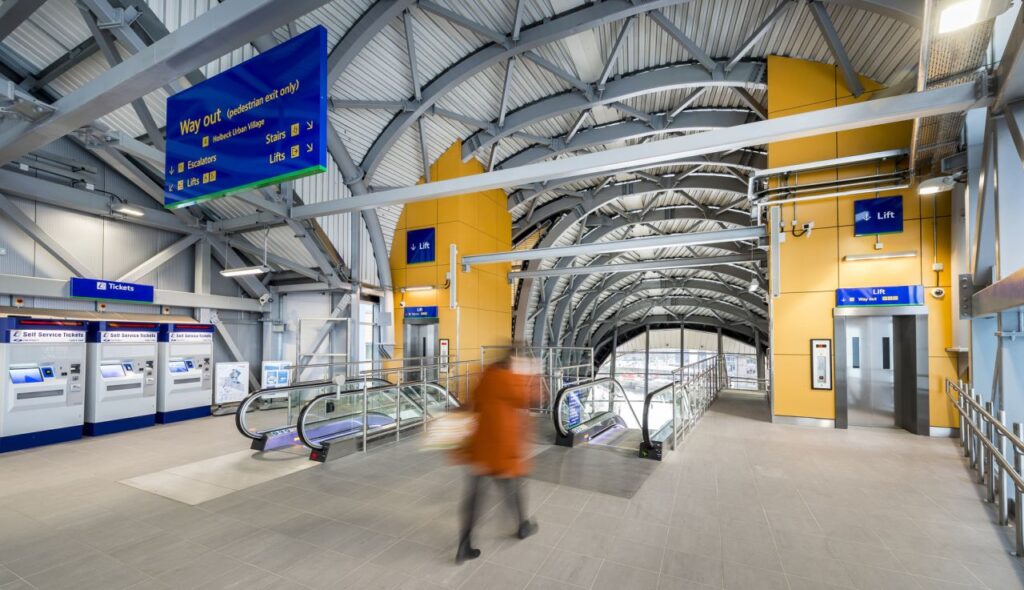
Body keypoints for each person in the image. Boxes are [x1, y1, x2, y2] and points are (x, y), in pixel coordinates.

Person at [452, 354, 540, 564]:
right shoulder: (514, 381)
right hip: (503, 451)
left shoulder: (485, 377)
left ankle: (464, 544)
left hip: (481, 448)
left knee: (474, 497)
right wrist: (533, 375)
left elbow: (472, 404)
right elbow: (533, 400)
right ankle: (522, 526)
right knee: (514, 489)